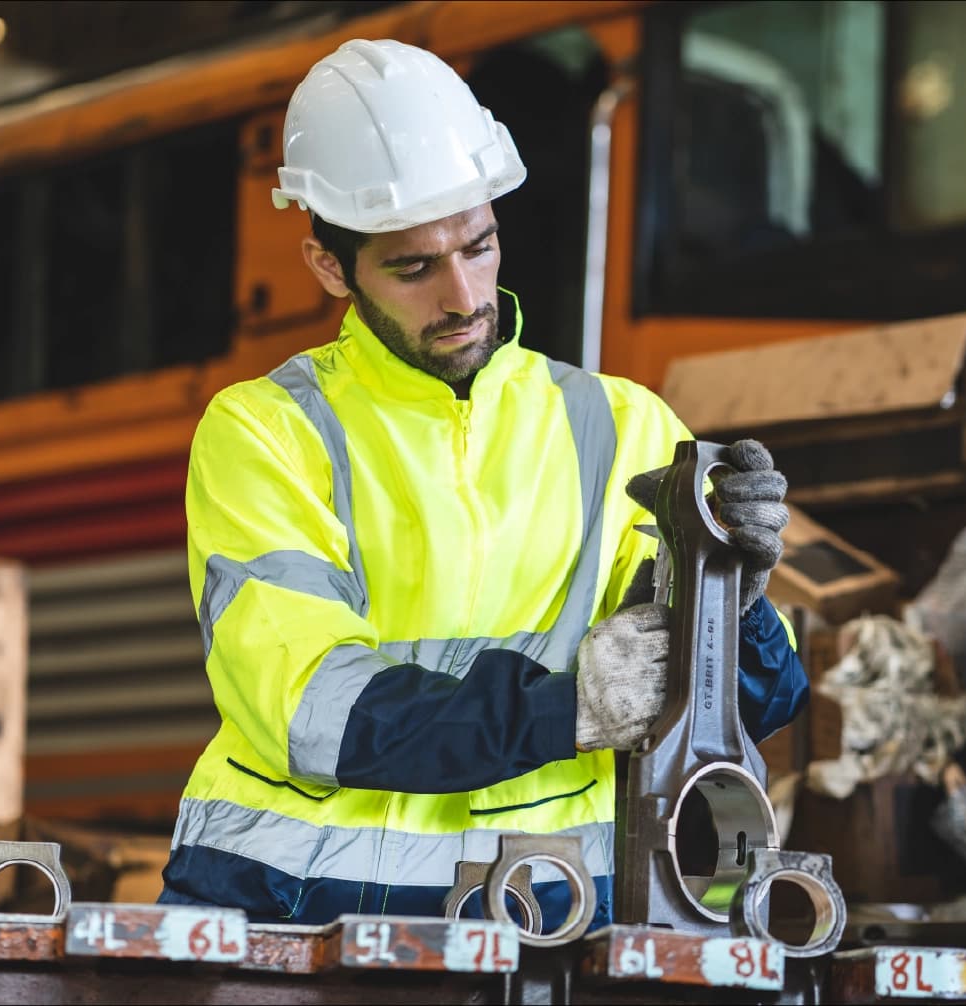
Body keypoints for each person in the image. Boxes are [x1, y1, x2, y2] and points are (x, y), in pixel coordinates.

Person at [156, 38, 808, 931]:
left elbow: (743, 715)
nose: (463, 296)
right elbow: (316, 711)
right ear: (329, 267)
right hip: (289, 910)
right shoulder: (267, 431)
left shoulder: (626, 427)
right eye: (413, 267)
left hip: (541, 914)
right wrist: (567, 705)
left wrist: (733, 600)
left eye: (479, 245)